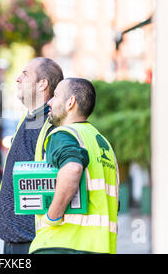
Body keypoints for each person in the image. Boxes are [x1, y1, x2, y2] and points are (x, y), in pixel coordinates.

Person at [29, 78, 119, 254]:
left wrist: (52, 216)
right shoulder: (102, 143)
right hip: (99, 247)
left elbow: (72, 169)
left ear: (70, 102)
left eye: (55, 96)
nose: (50, 102)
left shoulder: (64, 135)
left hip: (61, 245)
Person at [0, 57, 64, 254]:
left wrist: (50, 220)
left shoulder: (51, 124)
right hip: (14, 238)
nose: (17, 79)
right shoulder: (27, 120)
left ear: (43, 84)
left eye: (25, 75)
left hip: (33, 241)